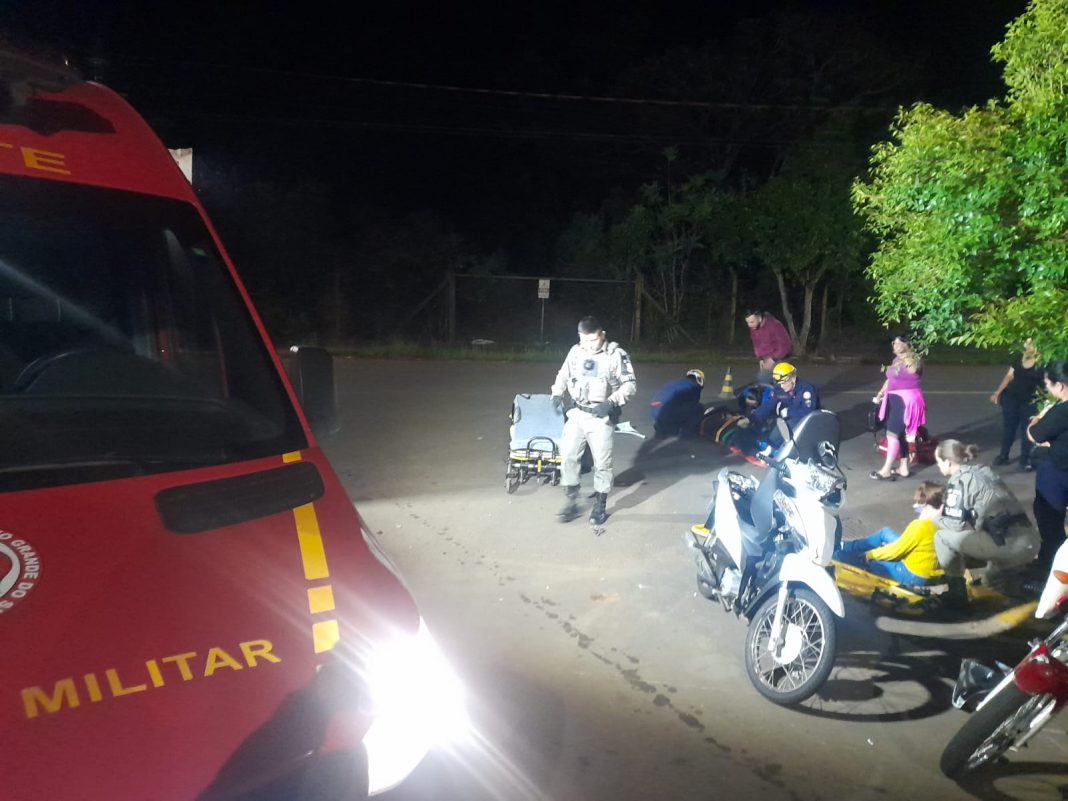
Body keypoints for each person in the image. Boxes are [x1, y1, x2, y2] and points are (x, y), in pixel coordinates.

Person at [551, 316, 637, 525]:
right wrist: (556, 393)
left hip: (600, 417)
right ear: (579, 336)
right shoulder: (576, 351)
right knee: (568, 457)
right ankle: (572, 501)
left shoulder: (616, 355)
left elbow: (630, 385)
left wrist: (611, 402)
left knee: (602, 463)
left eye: (594, 340)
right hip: (577, 414)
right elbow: (563, 373)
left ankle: (600, 504)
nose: (589, 345)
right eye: (585, 340)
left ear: (602, 335)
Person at [933, 439, 1040, 604]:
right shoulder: (984, 471)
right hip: (1029, 540)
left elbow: (956, 525)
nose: (938, 466)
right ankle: (1032, 587)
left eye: (938, 462)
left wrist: (936, 517)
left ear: (947, 462)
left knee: (941, 537)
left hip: (1007, 544)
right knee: (989, 583)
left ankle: (956, 595)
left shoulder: (959, 481)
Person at [834, 482, 946, 586]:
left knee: (873, 562)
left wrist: (871, 554)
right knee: (885, 533)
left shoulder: (920, 526)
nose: (915, 506)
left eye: (919, 503)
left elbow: (896, 551)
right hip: (928, 568)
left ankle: (840, 556)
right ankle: (847, 547)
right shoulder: (945, 523)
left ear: (927, 505)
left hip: (913, 574)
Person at [1027, 360, 1068, 572]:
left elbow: (1035, 435)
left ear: (1059, 385)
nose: (1048, 388)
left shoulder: (1061, 411)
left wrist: (1038, 417)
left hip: (1058, 472)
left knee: (1049, 520)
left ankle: (1050, 566)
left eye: (1048, 384)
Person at [871, 334, 926, 480]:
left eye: (899, 343)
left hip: (906, 400)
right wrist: (880, 393)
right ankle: (903, 468)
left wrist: (907, 353)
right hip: (894, 399)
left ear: (908, 344)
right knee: (900, 434)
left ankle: (886, 470)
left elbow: (913, 370)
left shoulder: (914, 359)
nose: (895, 345)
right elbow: (890, 379)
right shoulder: (896, 360)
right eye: (894, 343)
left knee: (892, 434)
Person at [736, 362, 820, 454]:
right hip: (787, 420)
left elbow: (807, 413)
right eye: (779, 383)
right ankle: (769, 445)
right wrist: (751, 418)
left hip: (807, 423)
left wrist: (787, 412)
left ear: (793, 379)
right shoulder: (779, 389)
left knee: (778, 434)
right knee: (766, 429)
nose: (781, 386)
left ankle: (779, 449)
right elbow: (768, 406)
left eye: (784, 383)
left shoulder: (806, 390)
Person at [991, 337, 1044, 471]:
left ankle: (1025, 460)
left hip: (1030, 400)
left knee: (1027, 430)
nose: (1028, 345)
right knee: (1009, 429)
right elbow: (1009, 376)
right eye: (1026, 342)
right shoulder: (1019, 357)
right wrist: (998, 392)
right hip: (1011, 398)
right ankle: (1003, 456)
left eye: (1031, 343)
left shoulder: (1042, 361)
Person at [649, 369, 704, 438]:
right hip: (666, 411)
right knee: (698, 408)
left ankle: (664, 427)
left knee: (680, 408)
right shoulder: (694, 386)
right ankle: (689, 433)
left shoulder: (676, 383)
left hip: (655, 409)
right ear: (699, 379)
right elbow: (692, 404)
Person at [744, 309, 792, 384]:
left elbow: (785, 345)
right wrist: (761, 359)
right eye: (747, 322)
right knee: (762, 381)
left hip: (780, 358)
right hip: (766, 359)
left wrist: (773, 359)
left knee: (764, 378)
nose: (749, 325)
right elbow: (757, 344)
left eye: (752, 322)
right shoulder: (754, 327)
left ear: (759, 318)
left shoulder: (775, 325)